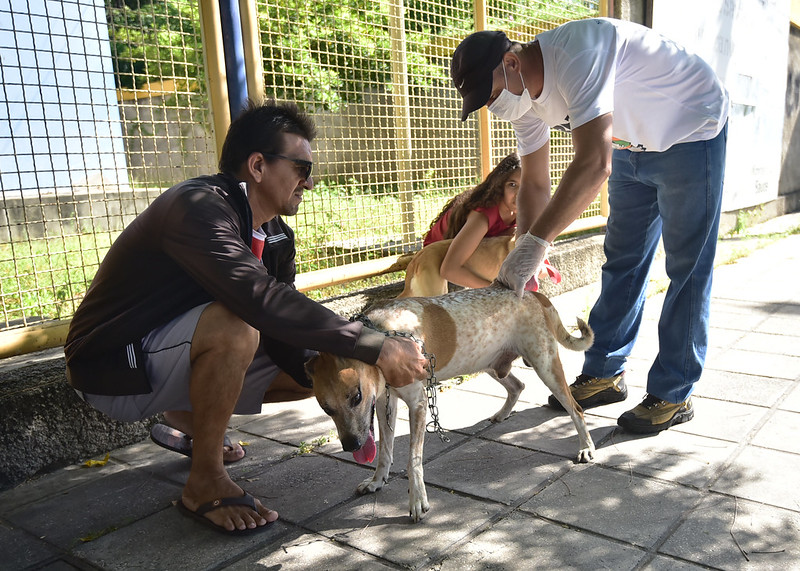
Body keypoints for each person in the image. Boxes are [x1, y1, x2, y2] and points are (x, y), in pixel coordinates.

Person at [64, 100, 428, 535]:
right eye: (300, 168)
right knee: (235, 328)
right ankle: (205, 481)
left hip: (168, 356)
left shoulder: (275, 235)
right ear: (257, 165)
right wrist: (376, 344)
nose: (309, 183)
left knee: (320, 372)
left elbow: (285, 327)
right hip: (113, 366)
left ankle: (189, 424)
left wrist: (350, 362)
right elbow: (258, 300)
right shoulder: (198, 206)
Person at [450, 17, 729, 434]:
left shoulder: (578, 51)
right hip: (628, 146)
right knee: (623, 260)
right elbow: (535, 184)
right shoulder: (522, 98)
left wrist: (536, 245)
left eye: (489, 95)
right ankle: (604, 374)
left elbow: (594, 164)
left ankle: (674, 393)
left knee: (687, 267)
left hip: (691, 130)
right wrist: (524, 253)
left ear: (510, 62)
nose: (492, 107)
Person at [422, 152, 521, 289]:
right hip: (435, 258)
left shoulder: (521, 211)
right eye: (512, 185)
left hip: (473, 256)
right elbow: (449, 270)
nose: (519, 193)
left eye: (526, 185)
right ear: (500, 186)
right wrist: (496, 291)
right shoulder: (483, 216)